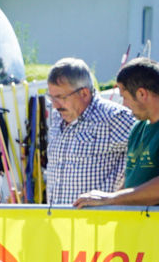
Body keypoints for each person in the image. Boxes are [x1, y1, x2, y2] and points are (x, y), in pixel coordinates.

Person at [34, 59, 137, 208]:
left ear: (84, 93)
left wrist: (118, 196)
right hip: (57, 222)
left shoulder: (114, 117)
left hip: (97, 224)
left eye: (61, 98)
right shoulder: (58, 115)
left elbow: (148, 154)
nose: (55, 106)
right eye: (51, 98)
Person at [74, 58, 159, 208]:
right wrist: (110, 207)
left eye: (124, 97)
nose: (123, 104)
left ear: (141, 94)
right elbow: (130, 180)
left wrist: (111, 198)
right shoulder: (138, 128)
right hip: (135, 229)